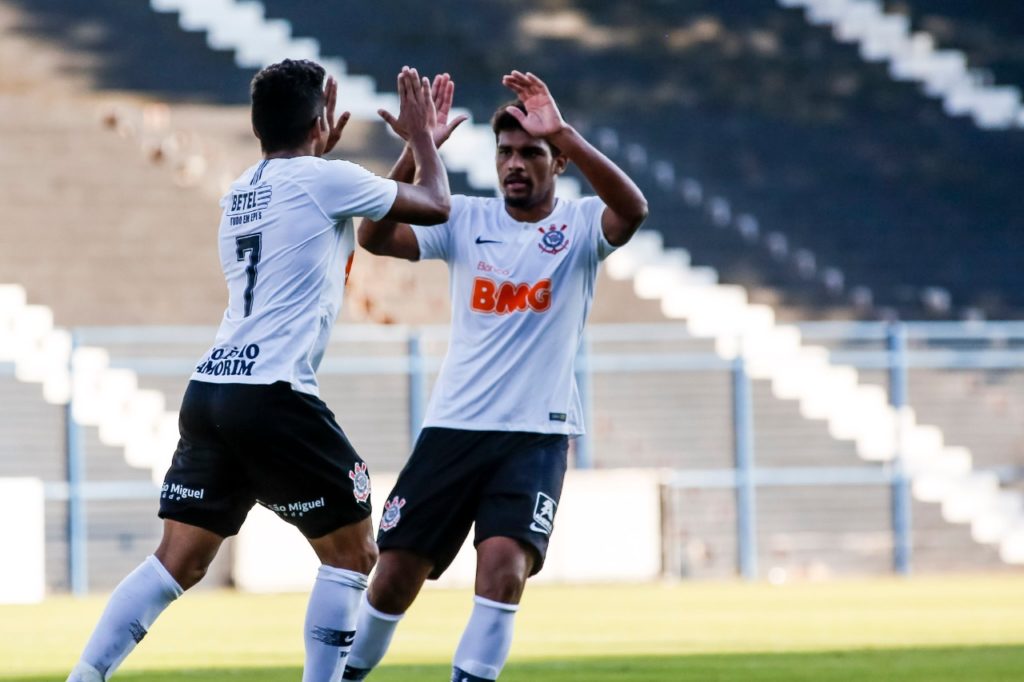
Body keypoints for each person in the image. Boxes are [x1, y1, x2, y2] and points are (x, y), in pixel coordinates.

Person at [65, 59, 452, 682]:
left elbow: (369, 209)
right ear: (322, 119)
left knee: (177, 562)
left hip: (214, 388)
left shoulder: (243, 188)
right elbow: (433, 203)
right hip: (272, 393)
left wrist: (377, 152)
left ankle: (85, 676)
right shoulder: (324, 179)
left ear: (258, 127)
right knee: (353, 552)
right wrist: (424, 140)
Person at [342, 70, 648, 681]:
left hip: (535, 436)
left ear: (556, 162)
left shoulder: (583, 226)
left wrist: (566, 132)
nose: (514, 163)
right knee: (395, 574)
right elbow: (373, 235)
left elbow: (633, 209)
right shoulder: (465, 217)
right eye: (505, 152)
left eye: (531, 152)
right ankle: (347, 675)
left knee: (504, 568)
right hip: (454, 427)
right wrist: (416, 150)